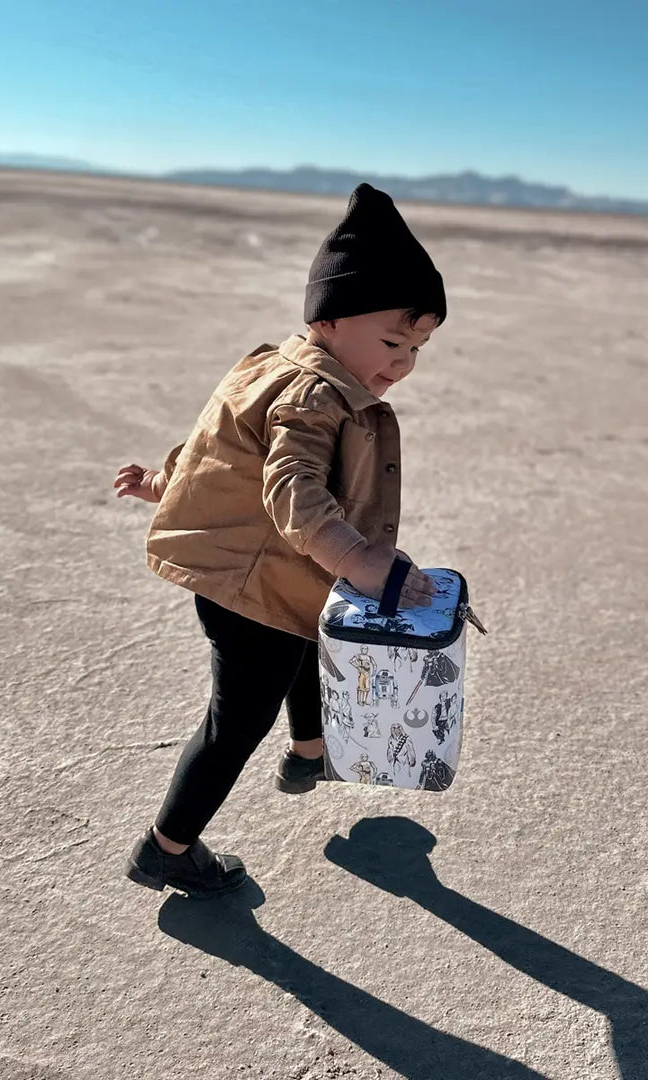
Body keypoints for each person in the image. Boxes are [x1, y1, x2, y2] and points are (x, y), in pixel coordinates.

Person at [113, 184, 446, 898]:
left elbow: (219, 448)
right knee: (234, 724)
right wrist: (361, 560)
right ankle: (168, 847)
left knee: (310, 640)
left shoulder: (271, 366)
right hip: (253, 588)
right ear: (328, 320)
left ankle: (310, 750)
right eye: (392, 341)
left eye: (417, 347)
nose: (404, 363)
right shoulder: (313, 395)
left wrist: (164, 480)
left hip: (268, 579)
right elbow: (290, 487)